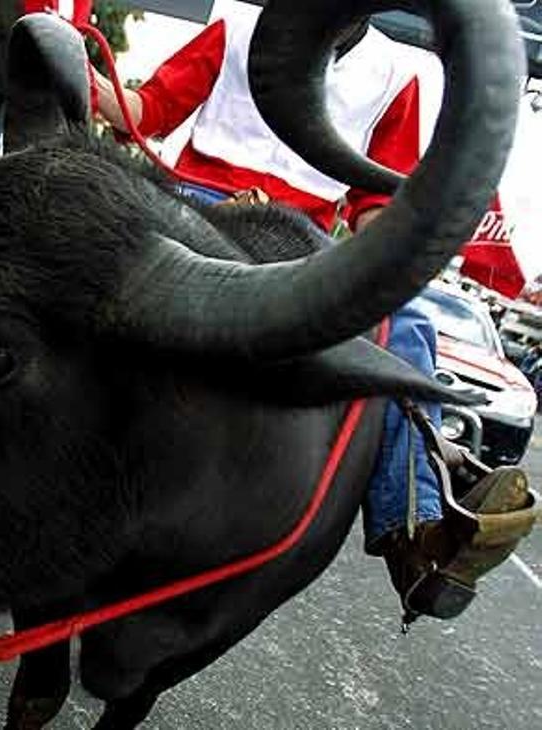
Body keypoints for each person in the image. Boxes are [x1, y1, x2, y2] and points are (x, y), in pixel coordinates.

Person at [90, 9, 532, 621]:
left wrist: (392, 251)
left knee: (407, 327)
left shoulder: (395, 71)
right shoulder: (238, 28)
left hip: (300, 237)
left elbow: (378, 199)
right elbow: (154, 109)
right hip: (197, 204)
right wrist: (88, 81)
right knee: (82, 263)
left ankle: (418, 527)